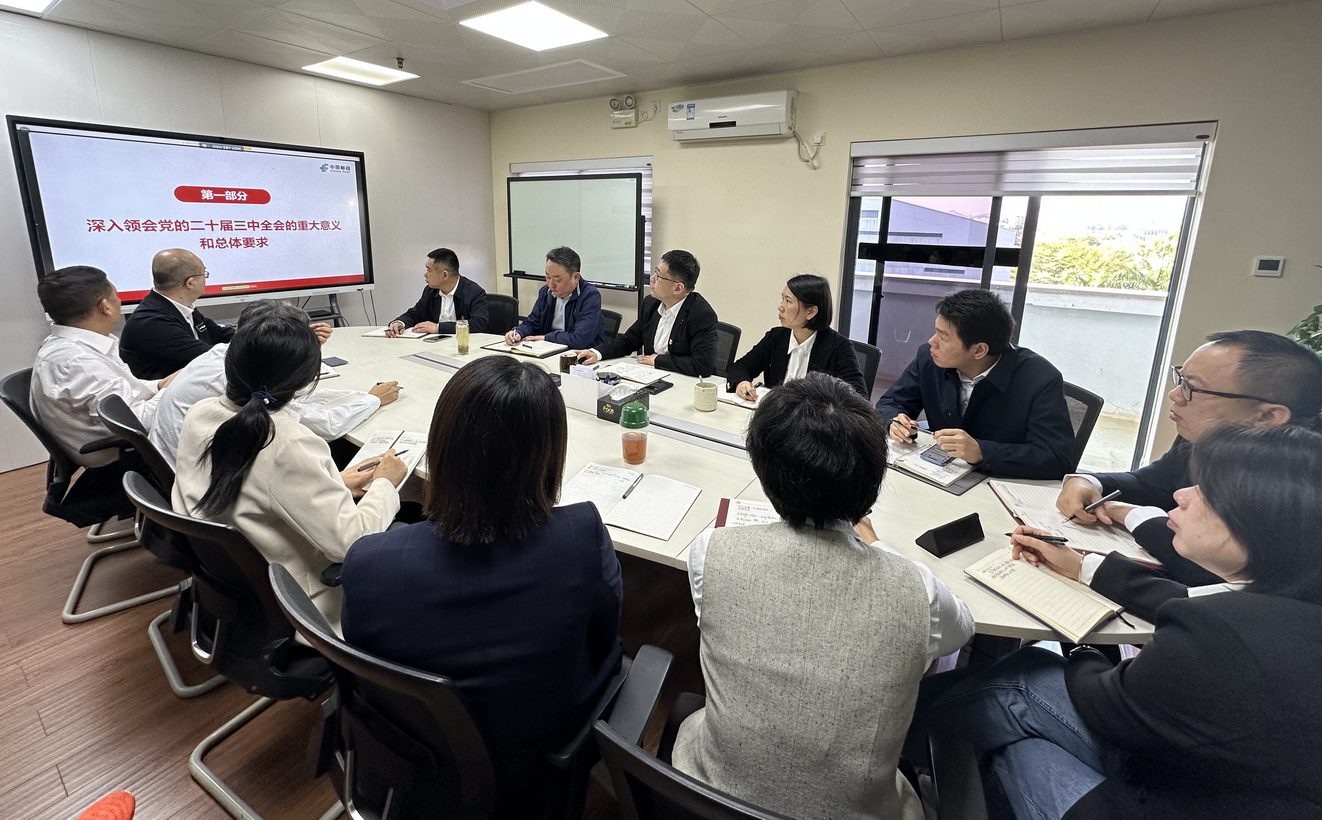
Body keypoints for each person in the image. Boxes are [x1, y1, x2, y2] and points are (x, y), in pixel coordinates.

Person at [910, 424, 1322, 820]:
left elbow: (1105, 700)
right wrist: (1084, 567)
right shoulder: (1295, 595)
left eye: (1207, 494)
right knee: (1026, 674)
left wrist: (1084, 645)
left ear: (1261, 528)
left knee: (1018, 711)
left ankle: (891, 745)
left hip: (1178, 797)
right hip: (1230, 778)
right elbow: (1190, 597)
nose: (1181, 494)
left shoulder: (1224, 633)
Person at [672, 373, 973, 819]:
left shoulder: (711, 551)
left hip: (710, 800)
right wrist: (877, 545)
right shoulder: (917, 589)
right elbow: (960, 631)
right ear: (870, 486)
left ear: (764, 472)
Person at [341, 356, 622, 810]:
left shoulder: (369, 563)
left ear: (441, 447)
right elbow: (607, 636)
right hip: (538, 763)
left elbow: (368, 665)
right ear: (549, 455)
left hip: (411, 767)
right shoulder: (581, 537)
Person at [172, 309, 406, 629]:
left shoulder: (202, 412)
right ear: (307, 379)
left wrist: (334, 482)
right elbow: (350, 543)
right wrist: (385, 484)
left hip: (238, 582)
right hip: (301, 598)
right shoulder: (288, 443)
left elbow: (251, 484)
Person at [1055, 330, 1322, 587]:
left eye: (1192, 388)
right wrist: (1087, 482)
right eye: (1181, 379)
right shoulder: (1205, 434)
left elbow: (1218, 573)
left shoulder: (1300, 482)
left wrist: (1127, 513)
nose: (1175, 395)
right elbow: (1150, 484)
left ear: (1267, 416)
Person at [151, 301, 399, 468]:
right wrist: (372, 399)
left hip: (183, 466)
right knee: (344, 449)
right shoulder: (239, 381)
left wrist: (297, 354)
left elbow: (286, 396)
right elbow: (326, 426)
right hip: (206, 476)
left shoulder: (223, 355)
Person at [875, 288, 1073, 480]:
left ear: (978, 350)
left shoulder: (1039, 379)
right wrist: (894, 421)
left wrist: (982, 451)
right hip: (938, 473)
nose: (932, 342)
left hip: (1001, 481)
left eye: (943, 337)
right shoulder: (929, 358)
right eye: (936, 332)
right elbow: (891, 402)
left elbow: (1055, 458)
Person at [31, 265, 176, 475]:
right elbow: (137, 423)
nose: (119, 300)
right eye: (116, 295)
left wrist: (159, 385)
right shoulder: (76, 361)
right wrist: (175, 390)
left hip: (125, 441)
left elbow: (122, 393)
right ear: (105, 306)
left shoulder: (76, 346)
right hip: (128, 457)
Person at [575, 249, 719, 376]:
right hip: (651, 376)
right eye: (655, 272)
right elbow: (629, 341)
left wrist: (659, 360)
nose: (652, 279)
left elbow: (703, 365)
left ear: (678, 288)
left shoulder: (701, 315)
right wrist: (597, 353)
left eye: (659, 276)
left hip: (687, 383)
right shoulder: (651, 304)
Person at [725, 273, 868, 399]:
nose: (780, 307)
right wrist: (742, 383)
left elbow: (858, 398)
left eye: (788, 301)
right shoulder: (776, 337)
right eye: (782, 299)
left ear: (810, 312)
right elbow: (741, 366)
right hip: (773, 416)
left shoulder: (839, 347)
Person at [119, 248, 236, 379]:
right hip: (167, 390)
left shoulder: (181, 307)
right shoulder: (151, 322)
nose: (205, 279)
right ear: (190, 283)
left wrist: (251, 335)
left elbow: (221, 335)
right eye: (204, 274)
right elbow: (208, 358)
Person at [503, 246, 605, 349]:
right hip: (547, 349)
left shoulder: (589, 296)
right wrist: (518, 332)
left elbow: (579, 339)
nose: (551, 284)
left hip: (580, 353)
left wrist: (545, 338)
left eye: (557, 279)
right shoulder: (545, 292)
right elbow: (533, 323)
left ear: (576, 277)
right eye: (548, 277)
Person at [384, 247, 489, 337]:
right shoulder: (430, 291)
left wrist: (438, 328)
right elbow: (415, 313)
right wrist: (399, 322)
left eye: (429, 270)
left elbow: (479, 324)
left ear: (444, 275)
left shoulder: (474, 292)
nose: (425, 275)